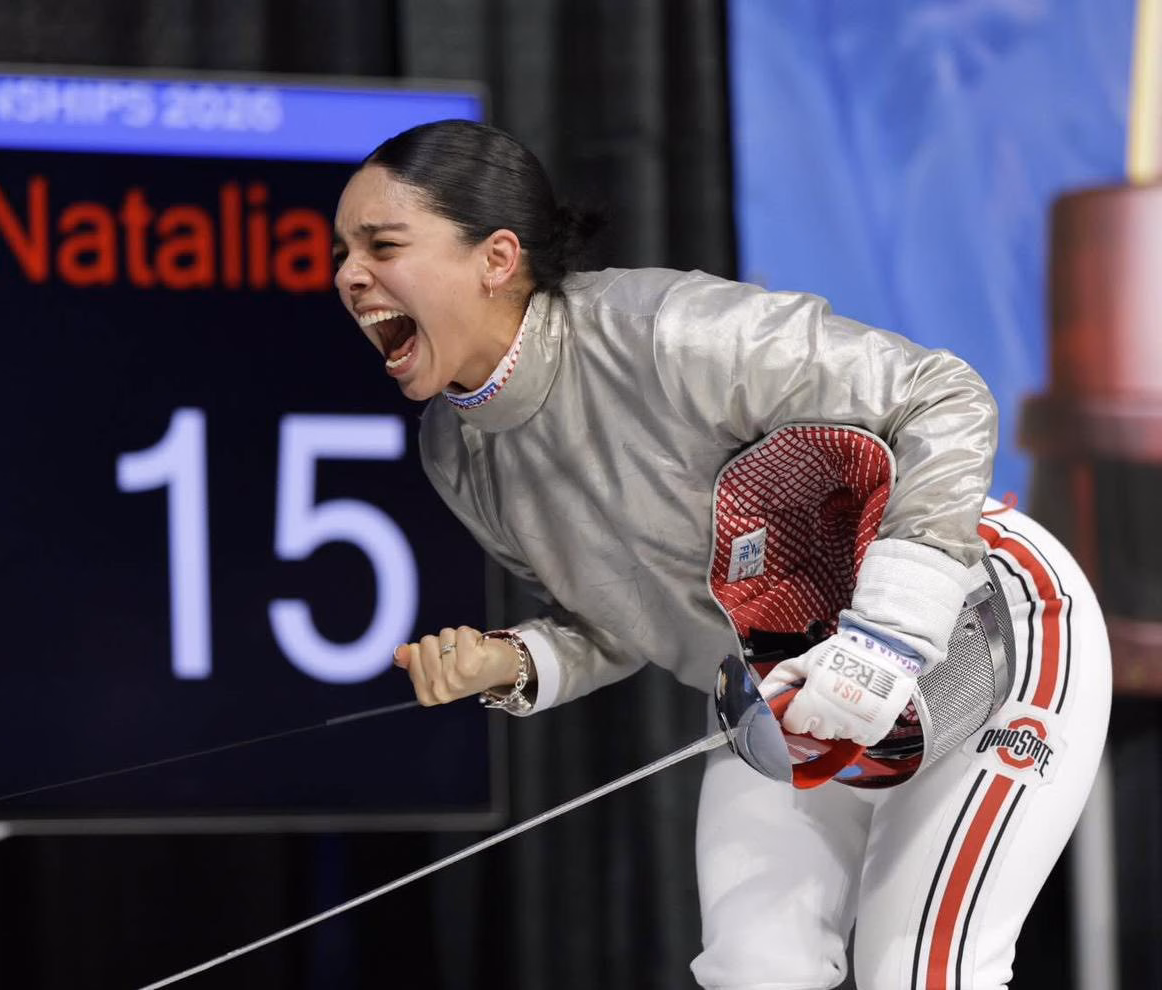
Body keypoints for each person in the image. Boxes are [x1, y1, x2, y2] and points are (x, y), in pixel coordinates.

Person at [331, 119, 1111, 990]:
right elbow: (621, 619)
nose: (348, 275)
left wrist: (887, 637)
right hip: (781, 685)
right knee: (753, 971)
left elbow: (943, 393)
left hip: (991, 622)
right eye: (342, 251)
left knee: (927, 973)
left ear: (497, 257)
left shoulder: (669, 332)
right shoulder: (456, 454)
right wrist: (513, 661)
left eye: (382, 245)